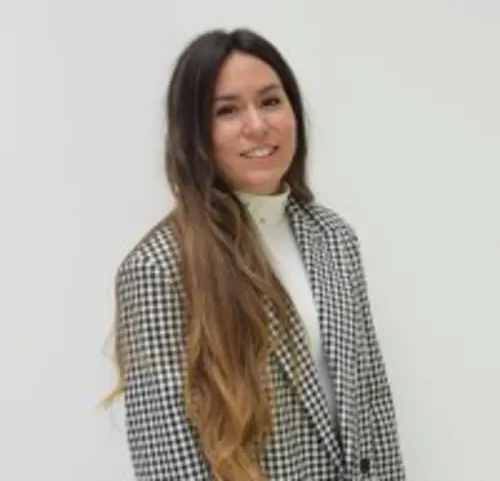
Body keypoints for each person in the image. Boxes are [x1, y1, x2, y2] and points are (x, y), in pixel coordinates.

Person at [103, 28, 406, 480]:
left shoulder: (333, 238)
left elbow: (372, 403)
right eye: (227, 110)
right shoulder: (159, 269)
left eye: (270, 101)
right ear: (194, 133)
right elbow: (169, 462)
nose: (257, 125)